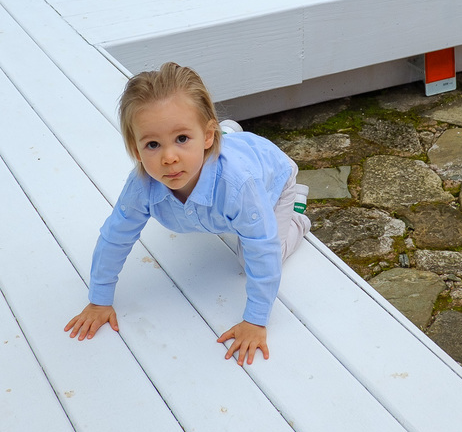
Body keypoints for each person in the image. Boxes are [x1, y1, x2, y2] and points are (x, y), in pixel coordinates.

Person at [64, 62, 310, 365]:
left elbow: (263, 247)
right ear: (136, 150)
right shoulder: (142, 185)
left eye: (181, 138)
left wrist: (255, 321)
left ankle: (299, 215)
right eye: (153, 144)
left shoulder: (239, 186)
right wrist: (99, 300)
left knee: (249, 260)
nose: (169, 157)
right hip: (228, 156)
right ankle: (227, 134)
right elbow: (115, 237)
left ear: (207, 136)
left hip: (273, 181)